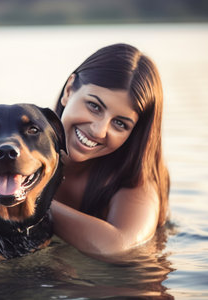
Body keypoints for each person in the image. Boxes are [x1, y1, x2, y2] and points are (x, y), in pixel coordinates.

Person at [50, 43, 170, 262]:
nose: (99, 130)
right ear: (69, 90)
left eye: (120, 124)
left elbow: (119, 248)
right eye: (94, 106)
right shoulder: (20, 144)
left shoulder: (134, 180)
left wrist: (30, 202)